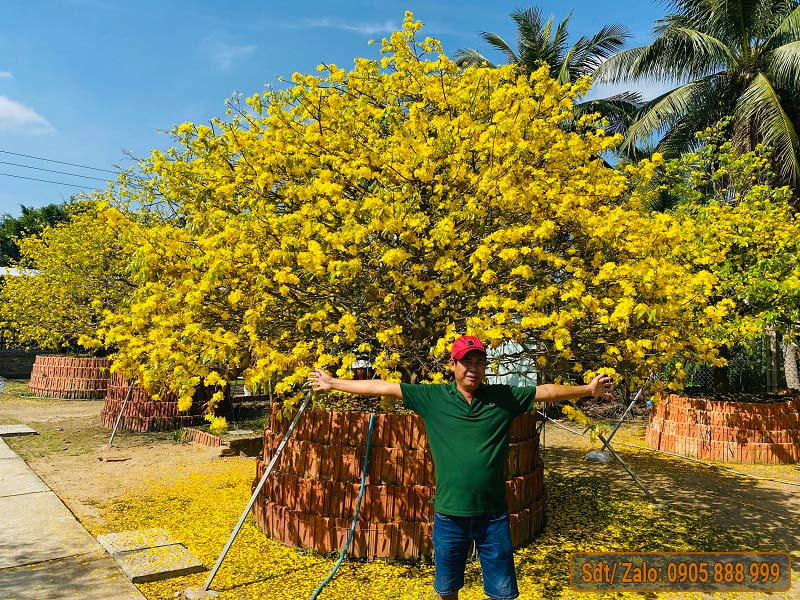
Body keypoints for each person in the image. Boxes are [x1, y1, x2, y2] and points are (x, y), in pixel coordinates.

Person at [308, 335, 614, 600]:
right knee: (447, 586)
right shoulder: (434, 398)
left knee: (503, 590)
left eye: (479, 361)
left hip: (493, 515)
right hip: (450, 514)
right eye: (466, 361)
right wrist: (333, 383)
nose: (473, 368)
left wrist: (587, 390)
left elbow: (545, 391)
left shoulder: (502, 397)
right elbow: (383, 388)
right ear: (453, 366)